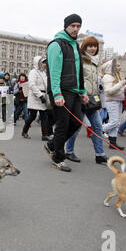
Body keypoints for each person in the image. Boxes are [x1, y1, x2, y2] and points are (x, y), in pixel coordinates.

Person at [43, 14, 89, 172]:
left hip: (74, 90)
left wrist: (82, 91)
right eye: (73, 26)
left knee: (76, 123)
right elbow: (54, 71)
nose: (76, 29)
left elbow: (78, 71)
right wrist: (56, 93)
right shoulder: (56, 44)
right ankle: (58, 158)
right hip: (61, 90)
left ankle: (52, 145)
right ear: (66, 26)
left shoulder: (75, 45)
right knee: (62, 125)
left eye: (78, 26)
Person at [64, 36, 108, 164]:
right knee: (76, 127)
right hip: (81, 98)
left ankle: (100, 154)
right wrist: (81, 93)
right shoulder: (80, 60)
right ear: (84, 47)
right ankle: (69, 151)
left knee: (98, 126)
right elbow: (77, 79)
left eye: (95, 46)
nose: (93, 48)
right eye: (90, 46)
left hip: (92, 99)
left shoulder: (95, 63)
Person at [23, 56, 54, 141]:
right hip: (35, 97)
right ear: (38, 63)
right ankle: (24, 131)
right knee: (32, 116)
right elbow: (32, 85)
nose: (45, 64)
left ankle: (44, 135)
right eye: (43, 62)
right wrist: (40, 95)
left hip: (43, 96)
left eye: (45, 63)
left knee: (44, 116)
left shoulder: (44, 73)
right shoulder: (33, 72)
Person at [102, 59, 126, 150]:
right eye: (118, 65)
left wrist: (125, 88)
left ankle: (113, 142)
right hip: (112, 101)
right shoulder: (107, 77)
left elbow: (116, 89)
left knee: (116, 122)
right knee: (114, 122)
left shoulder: (116, 76)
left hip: (118, 100)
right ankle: (98, 129)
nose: (120, 67)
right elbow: (109, 91)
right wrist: (121, 84)